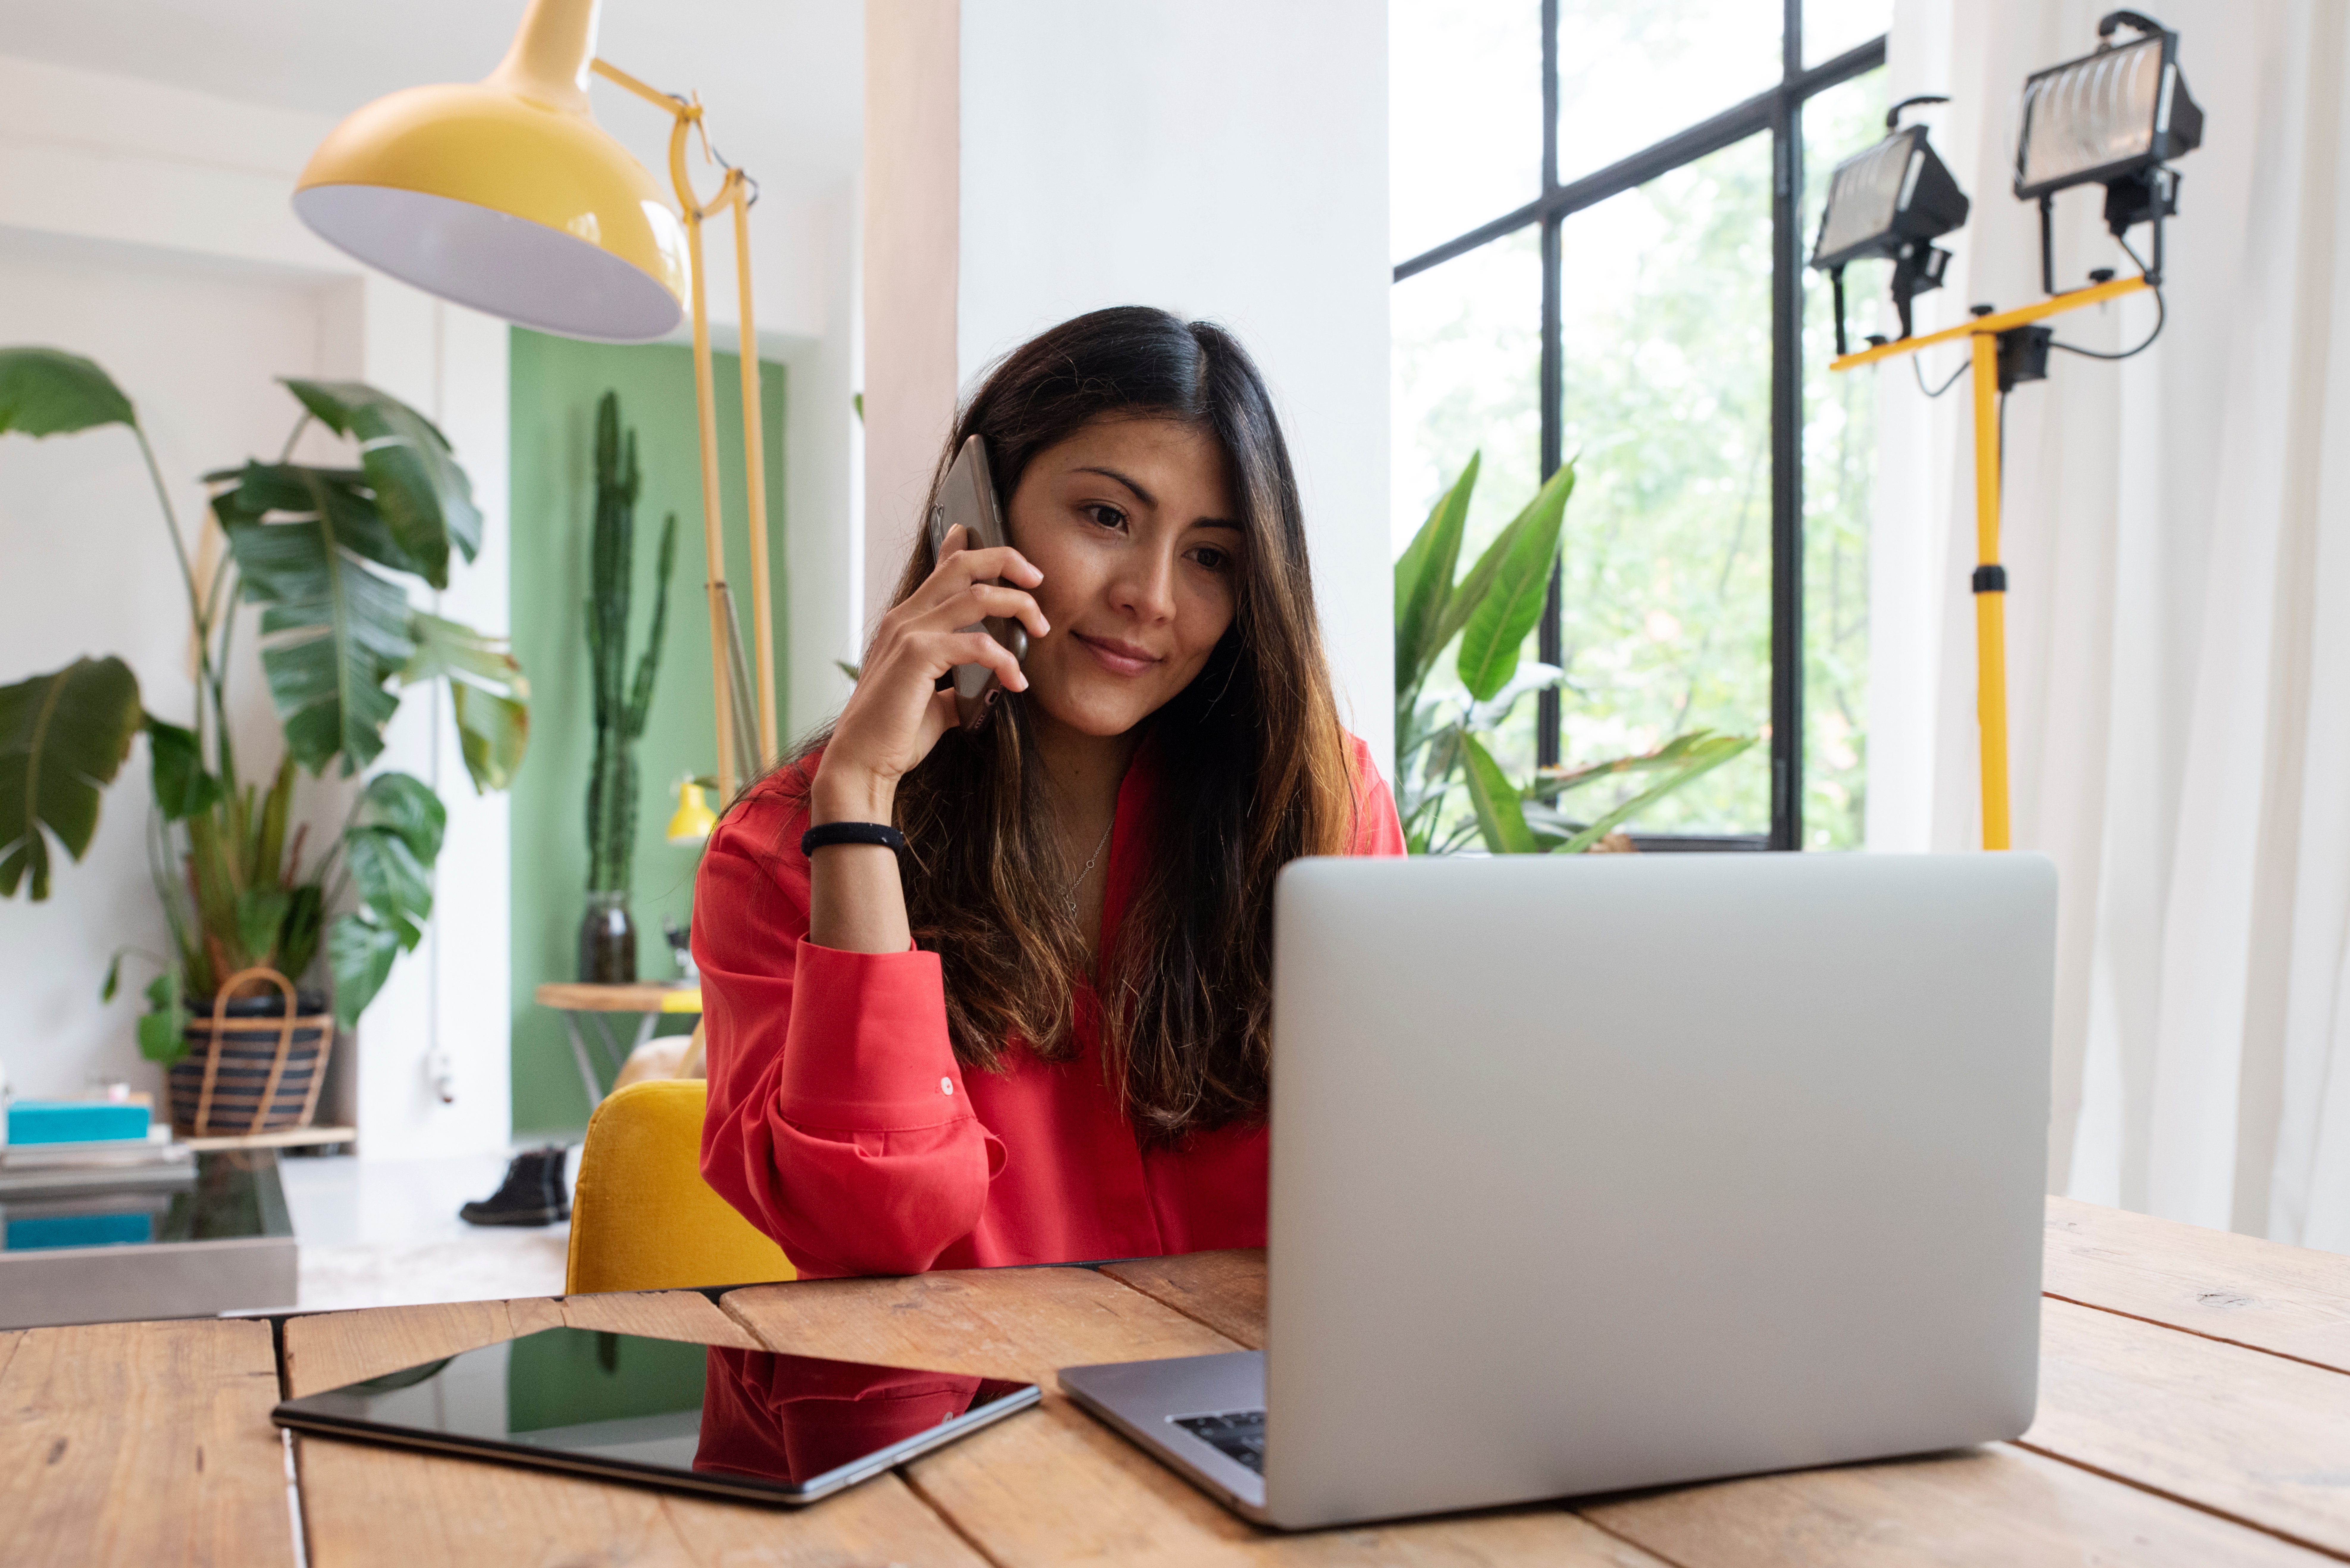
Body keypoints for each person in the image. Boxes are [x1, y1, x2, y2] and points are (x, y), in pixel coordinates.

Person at [695, 306, 1404, 1278]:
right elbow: (869, 1228)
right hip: (946, 1416)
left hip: (1236, 1408)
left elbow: (1397, 1190)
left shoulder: (1322, 804)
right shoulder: (783, 848)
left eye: (1210, 557)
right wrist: (859, 797)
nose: (1151, 598)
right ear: (975, 513)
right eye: (1106, 517)